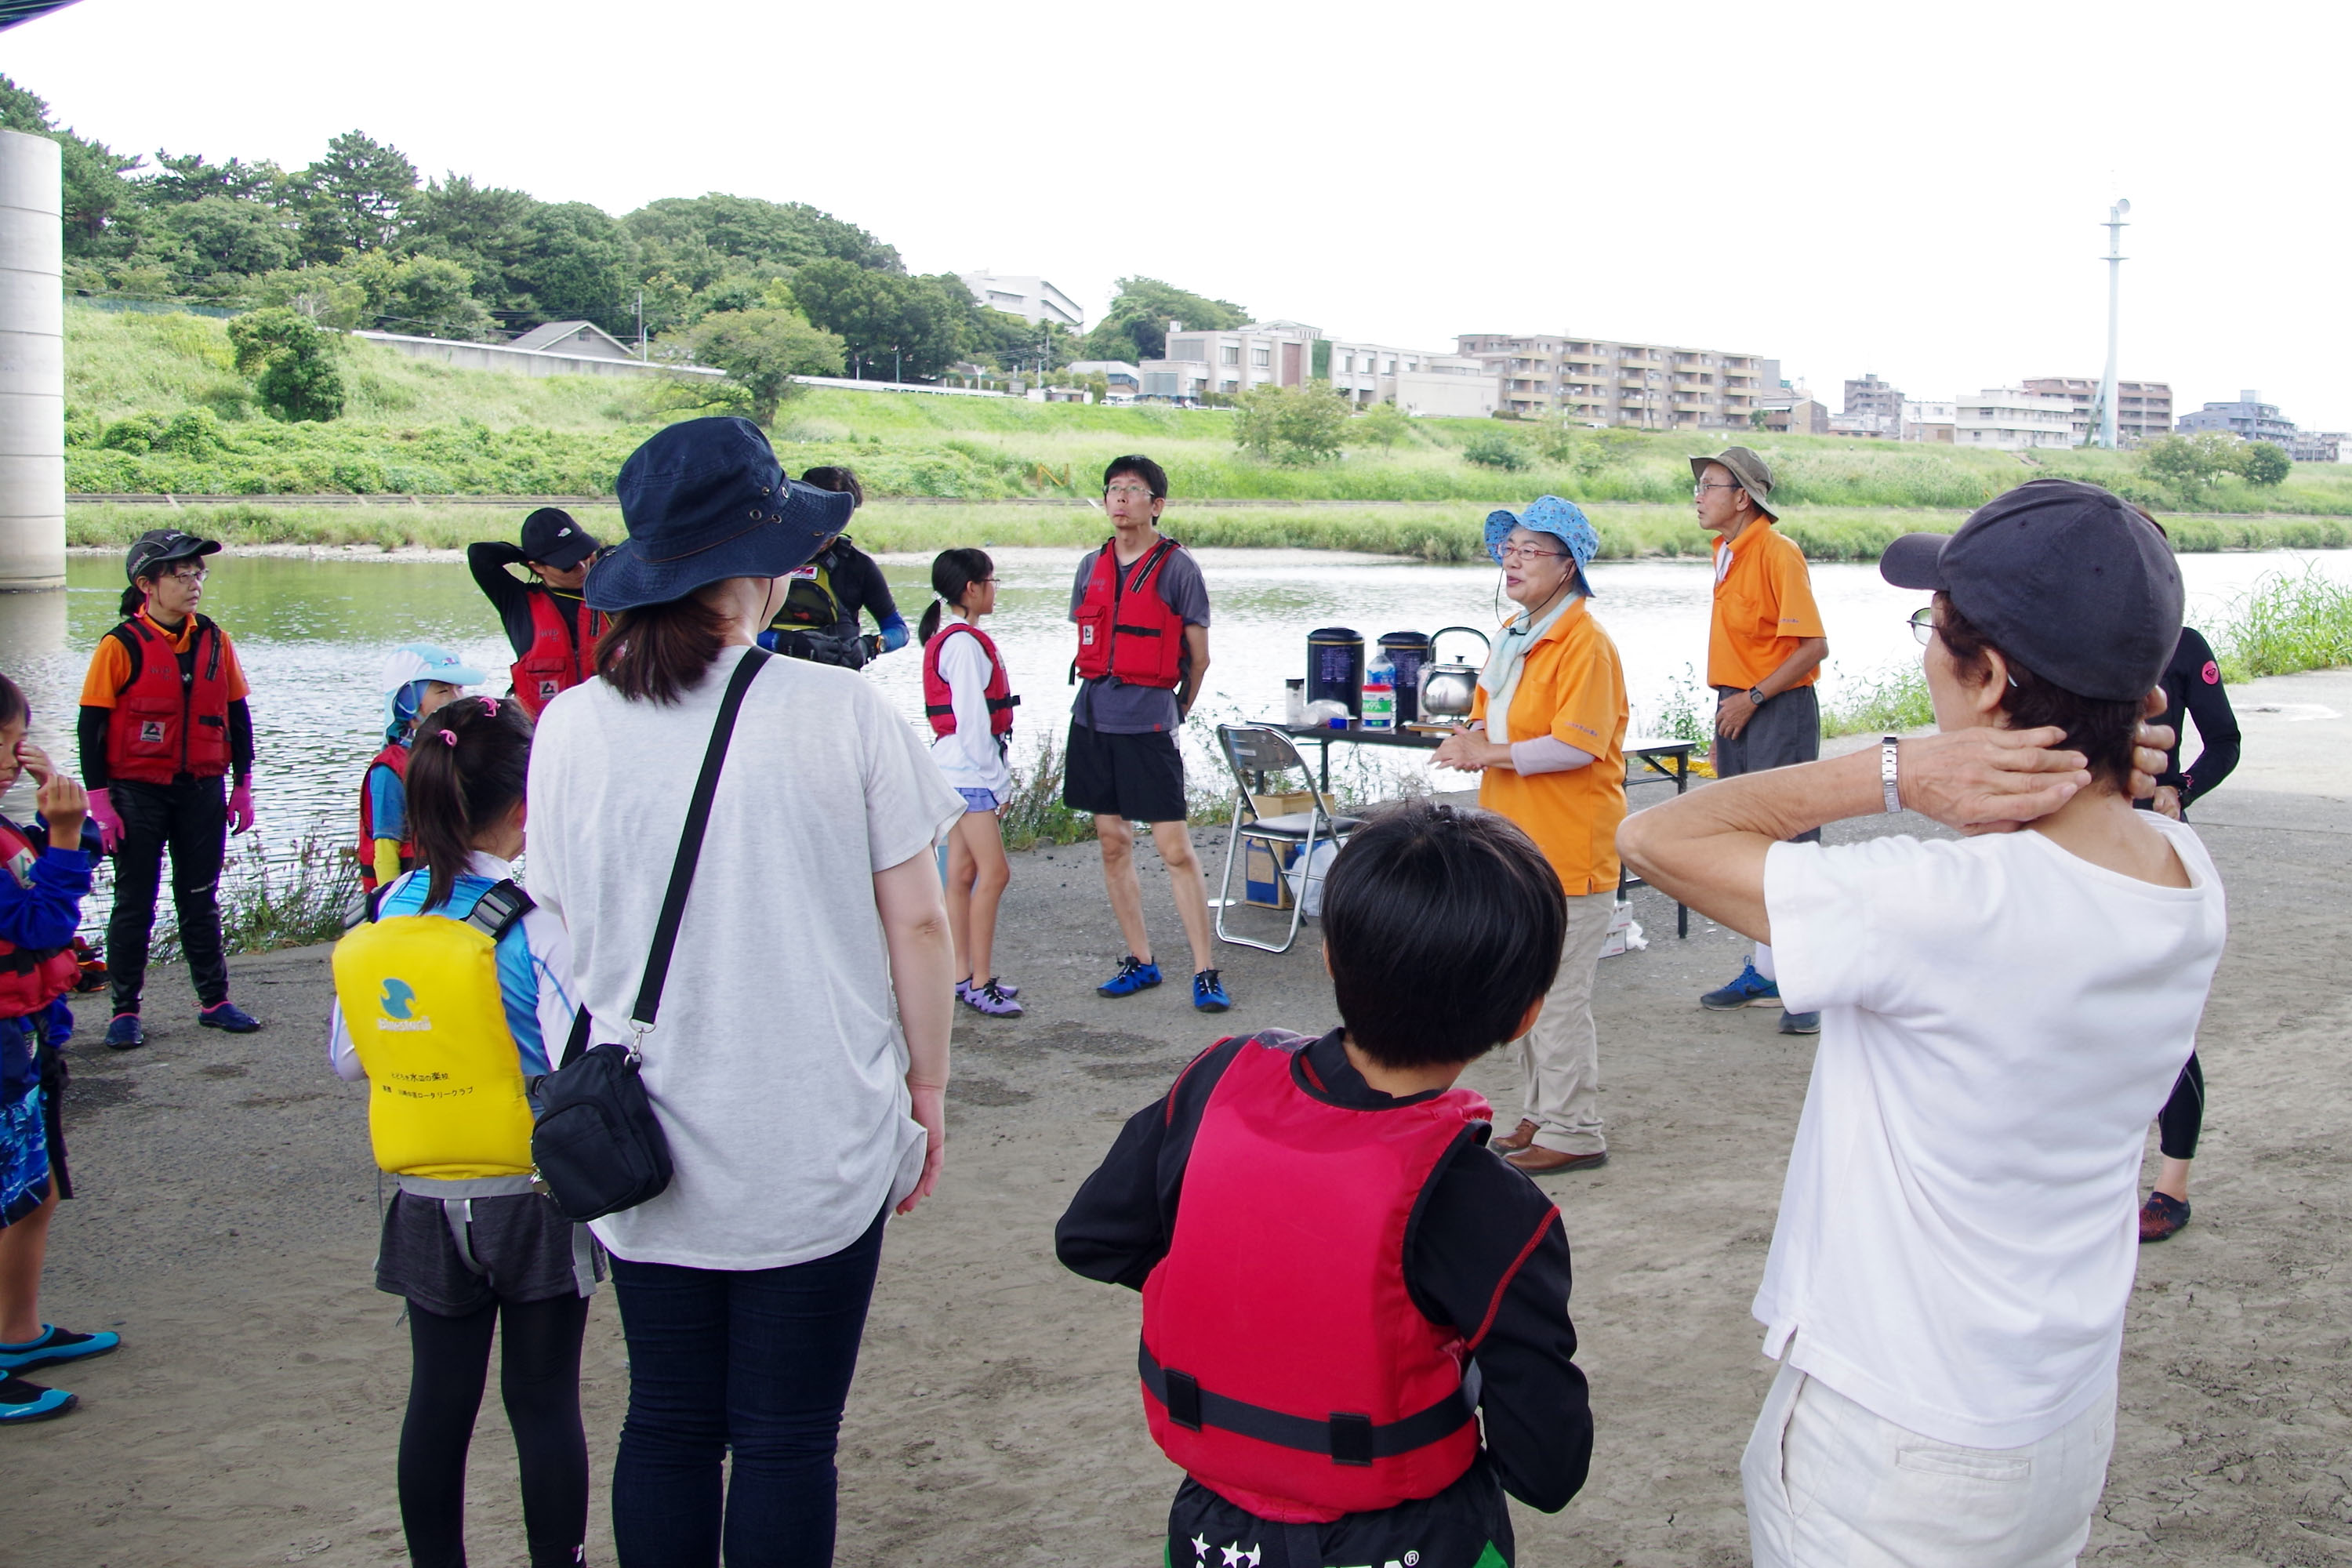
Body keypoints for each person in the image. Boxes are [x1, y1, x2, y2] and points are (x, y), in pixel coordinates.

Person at [1619, 478, 2227, 1566]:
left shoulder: (1940, 907)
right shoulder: (2184, 873)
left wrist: (1892, 771)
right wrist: (2094, 769)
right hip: (2057, 1413)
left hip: (1897, 1443)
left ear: (1986, 679)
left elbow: (1659, 837)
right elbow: (2098, 829)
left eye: (1932, 633)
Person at [525, 416, 962, 1566]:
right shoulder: (843, 710)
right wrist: (928, 1089)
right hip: (813, 1130)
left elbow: (553, 925)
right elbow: (920, 922)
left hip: (642, 1137)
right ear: (761, 567)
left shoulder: (568, 726)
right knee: (785, 1439)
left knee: (665, 1424)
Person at [1055, 801, 1592, 1566]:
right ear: (1526, 1014)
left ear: (1331, 956)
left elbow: (1089, 1237)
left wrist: (1252, 1294)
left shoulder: (1214, 1086)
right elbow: (1547, 1465)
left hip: (1214, 1533)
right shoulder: (1492, 1205)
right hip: (1413, 1536)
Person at [328, 695, 594, 1568]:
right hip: (530, 1197)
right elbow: (574, 1053)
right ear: (528, 803)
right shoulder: (531, 921)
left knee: (436, 1399)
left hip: (423, 1197)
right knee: (543, 1399)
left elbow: (348, 1057)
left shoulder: (380, 915)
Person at [1433, 497, 1627, 1176]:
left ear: (1567, 565)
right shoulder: (1519, 632)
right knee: (1522, 992)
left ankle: (1576, 1130)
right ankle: (1541, 1115)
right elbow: (1498, 727)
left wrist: (1482, 754)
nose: (1512, 560)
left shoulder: (1586, 642)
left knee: (1559, 996)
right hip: (1518, 843)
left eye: (1529, 550)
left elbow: (1577, 746)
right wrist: (1468, 741)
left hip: (1569, 847)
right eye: (1508, 548)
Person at [77, 529, 261, 1051]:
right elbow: (91, 727)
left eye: (198, 573)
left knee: (200, 898)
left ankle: (214, 1001)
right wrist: (99, 803)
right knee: (135, 902)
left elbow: (236, 714)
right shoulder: (119, 646)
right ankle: (125, 1010)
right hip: (137, 792)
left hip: (202, 788)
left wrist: (242, 785)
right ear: (146, 585)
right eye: (181, 574)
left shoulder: (213, 638)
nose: (194, 583)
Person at [1065, 455, 1228, 1012]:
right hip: (1092, 718)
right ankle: (1141, 960)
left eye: (1133, 491)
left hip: (1150, 720)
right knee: (1112, 841)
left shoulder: (1179, 568)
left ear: (1156, 506)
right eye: (1113, 489)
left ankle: (1205, 971)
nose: (1121, 499)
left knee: (1174, 848)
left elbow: (1199, 658)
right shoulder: (1091, 565)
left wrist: (1178, 705)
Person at [0, 674, 117, 1425]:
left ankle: (16, 1333)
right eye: (9, 744)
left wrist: (65, 819)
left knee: (31, 1195)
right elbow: (39, 927)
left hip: (23, 1038)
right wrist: (66, 839)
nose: (17, 758)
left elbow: (83, 857)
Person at [1689, 447, 1830, 1036]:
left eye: (1709, 486)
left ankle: (1811, 984)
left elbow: (1812, 648)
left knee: (1790, 848)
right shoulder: (1725, 551)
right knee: (1745, 843)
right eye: (1696, 486)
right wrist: (1732, 707)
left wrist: (1755, 699)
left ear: (1743, 497)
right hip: (1739, 704)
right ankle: (1768, 972)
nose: (1698, 495)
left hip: (1776, 707)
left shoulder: (1778, 551)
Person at [2139, 610, 2240, 1243]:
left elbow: (2224, 740)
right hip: (2079, 835)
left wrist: (2182, 787)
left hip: (2156, 842)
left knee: (2162, 1019)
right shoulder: (2071, 636)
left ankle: (2171, 1189)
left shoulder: (2183, 646)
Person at [919, 548, 1023, 1018]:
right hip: (967, 776)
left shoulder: (954, 638)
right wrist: (998, 781)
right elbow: (971, 723)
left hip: (953, 771)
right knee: (994, 873)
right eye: (992, 581)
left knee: (960, 875)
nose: (995, 590)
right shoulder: (962, 645)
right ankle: (981, 981)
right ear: (971, 589)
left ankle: (960, 974)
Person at [358, 644, 486, 908]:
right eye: (443, 690)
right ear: (407, 702)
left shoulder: (456, 754)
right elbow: (385, 852)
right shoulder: (389, 771)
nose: (457, 698)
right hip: (412, 899)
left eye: (459, 689)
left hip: (454, 893)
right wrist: (391, 910)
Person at [757, 467, 910, 669]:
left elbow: (899, 630)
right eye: (821, 516)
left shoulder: (858, 566)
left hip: (834, 682)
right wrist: (784, 643)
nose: (827, 533)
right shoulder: (764, 557)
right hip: (771, 678)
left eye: (838, 523)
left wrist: (871, 646)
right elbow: (729, 632)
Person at [467, 507, 606, 720]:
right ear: (538, 566)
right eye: (567, 564)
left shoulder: (614, 593)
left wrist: (602, 555)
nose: (581, 566)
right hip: (545, 734)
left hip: (607, 725)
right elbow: (480, 555)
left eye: (583, 555)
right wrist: (529, 552)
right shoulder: (516, 602)